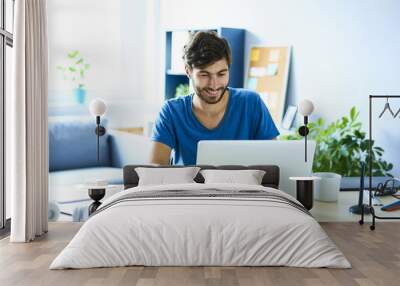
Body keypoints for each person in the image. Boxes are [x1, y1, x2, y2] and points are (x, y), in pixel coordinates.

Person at [150, 31, 279, 165]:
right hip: (185, 186)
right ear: (188, 71)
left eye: (221, 74)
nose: (214, 84)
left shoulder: (251, 103)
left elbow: (274, 162)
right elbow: (156, 167)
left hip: (243, 186)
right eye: (204, 75)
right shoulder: (171, 111)